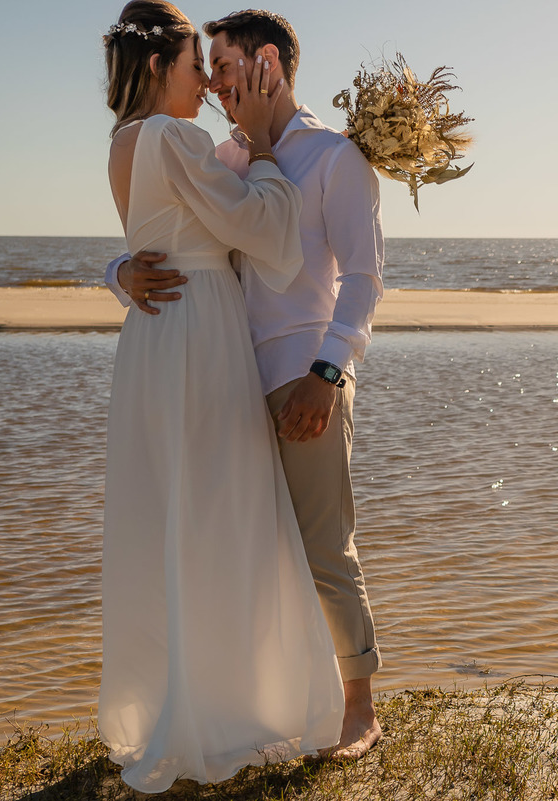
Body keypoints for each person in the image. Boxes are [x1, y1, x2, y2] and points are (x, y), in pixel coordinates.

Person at [104, 9, 385, 760]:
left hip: (302, 371)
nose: (214, 85)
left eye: (223, 68)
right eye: (207, 69)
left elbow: (363, 282)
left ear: (267, 64)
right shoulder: (227, 156)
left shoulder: (334, 158)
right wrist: (119, 271)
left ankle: (359, 706)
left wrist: (327, 375)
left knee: (325, 548)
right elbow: (173, 236)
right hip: (225, 380)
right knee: (251, 550)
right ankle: (264, 698)